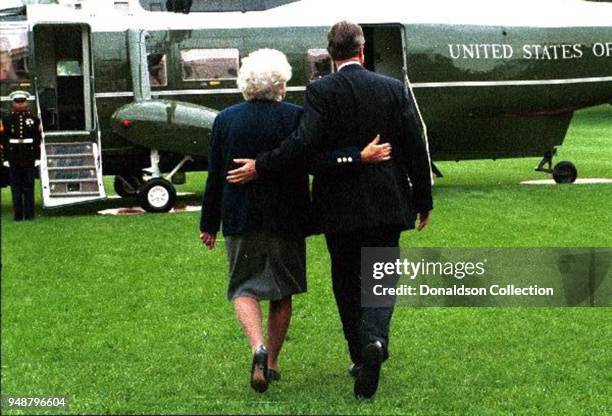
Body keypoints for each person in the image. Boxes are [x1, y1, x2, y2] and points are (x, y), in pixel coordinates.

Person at [227, 22, 434, 399]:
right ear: (362, 49)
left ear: (330, 51)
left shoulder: (320, 91)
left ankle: (360, 354)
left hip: (338, 207)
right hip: (387, 202)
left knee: (345, 282)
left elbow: (304, 148)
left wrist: (261, 165)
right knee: (381, 278)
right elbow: (415, 146)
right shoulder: (392, 89)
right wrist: (423, 199)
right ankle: (374, 339)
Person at [199, 49, 390, 394]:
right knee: (282, 293)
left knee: (243, 288)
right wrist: (357, 157)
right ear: (281, 84)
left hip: (241, 218)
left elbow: (215, 176)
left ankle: (256, 347)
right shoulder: (296, 117)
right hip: (288, 219)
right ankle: (270, 363)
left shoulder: (224, 120)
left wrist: (209, 223)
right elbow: (311, 158)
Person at [0, 91, 42, 221]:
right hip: (13, 156)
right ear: (12, 103)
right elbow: (4, 140)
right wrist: (5, 158)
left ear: (27, 102)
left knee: (29, 186)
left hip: (29, 156)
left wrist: (37, 157)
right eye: (17, 102)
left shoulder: (34, 119)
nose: (20, 104)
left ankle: (30, 215)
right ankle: (18, 215)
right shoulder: (7, 119)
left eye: (22, 101)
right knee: (16, 187)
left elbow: (37, 139)